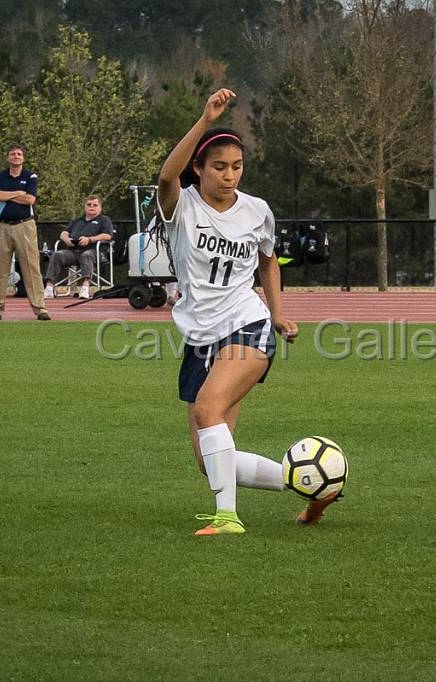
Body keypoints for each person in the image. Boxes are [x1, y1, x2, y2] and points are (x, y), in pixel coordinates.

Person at [156, 88, 321, 537]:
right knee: (211, 463)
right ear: (199, 169)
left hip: (247, 324)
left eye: (237, 167)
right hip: (199, 338)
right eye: (219, 167)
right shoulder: (181, 204)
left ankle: (227, 518)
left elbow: (268, 260)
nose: (230, 176)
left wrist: (277, 312)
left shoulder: (257, 210)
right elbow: (166, 175)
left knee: (210, 408)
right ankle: (311, 483)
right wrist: (205, 119)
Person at [0, 144, 50, 321]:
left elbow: (30, 199)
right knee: (0, 268)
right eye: (13, 154)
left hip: (24, 226)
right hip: (2, 226)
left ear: (23, 158)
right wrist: (18, 193)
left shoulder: (30, 176)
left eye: (19, 154)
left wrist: (8, 195)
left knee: (31, 267)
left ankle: (40, 308)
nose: (16, 156)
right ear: (8, 157)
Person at [43, 195, 113, 300]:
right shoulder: (77, 221)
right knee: (57, 254)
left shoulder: (104, 220)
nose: (92, 207)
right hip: (73, 251)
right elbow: (63, 233)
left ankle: (85, 287)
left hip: (94, 251)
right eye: (89, 205)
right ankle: (49, 287)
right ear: (85, 207)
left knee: (86, 255)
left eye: (95, 205)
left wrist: (89, 239)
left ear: (100, 208)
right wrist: (67, 239)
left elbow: (107, 235)